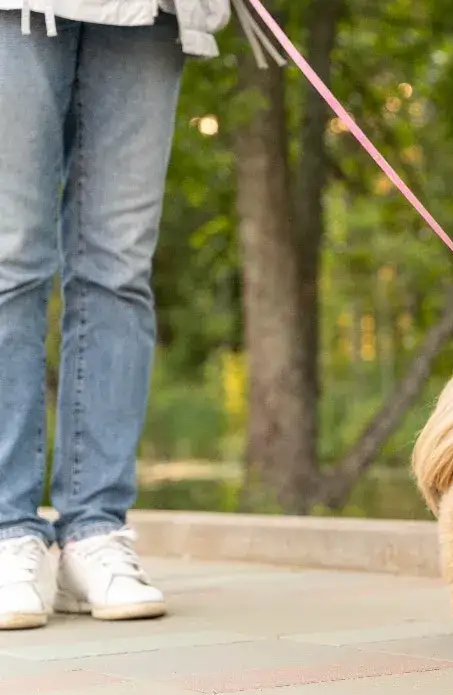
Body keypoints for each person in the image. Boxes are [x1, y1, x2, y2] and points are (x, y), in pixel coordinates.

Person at [0, 0, 271, 629]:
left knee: (119, 267)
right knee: (11, 259)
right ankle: (9, 531)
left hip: (151, 12)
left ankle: (94, 530)